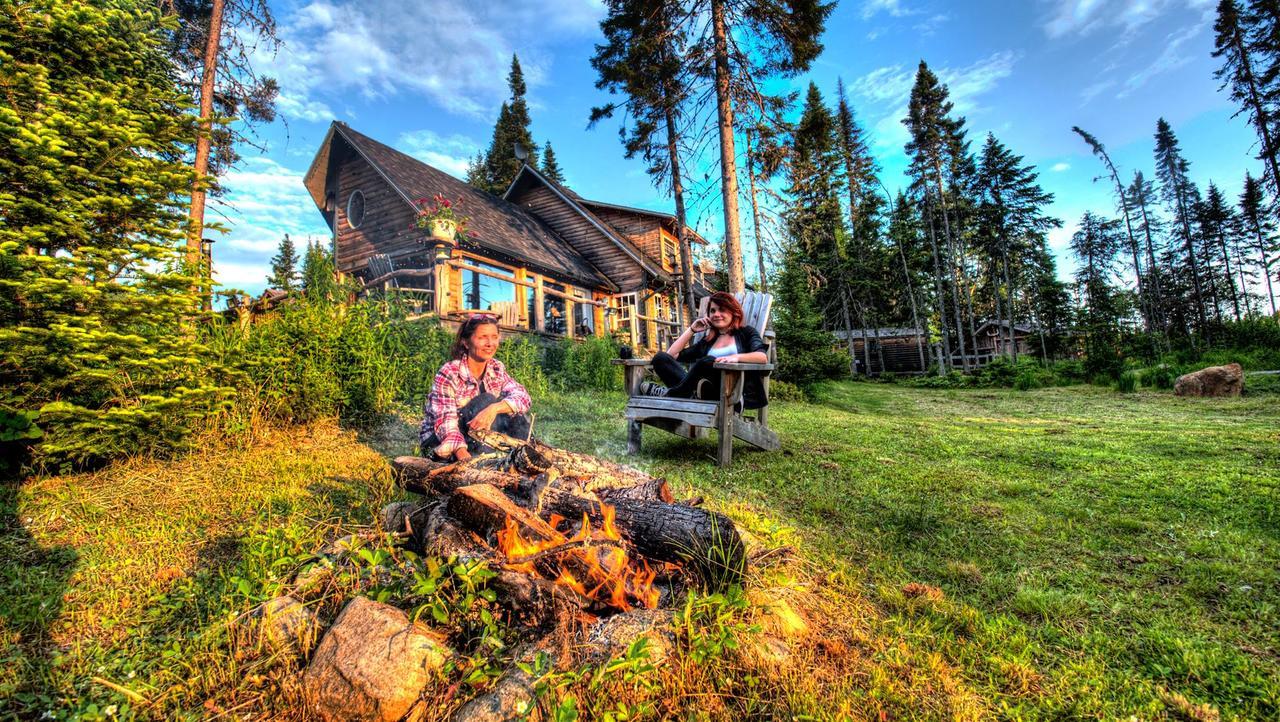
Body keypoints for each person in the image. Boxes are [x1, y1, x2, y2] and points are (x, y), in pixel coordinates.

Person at [419, 313, 532, 461]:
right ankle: (485, 464)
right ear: (466, 343)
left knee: (515, 415)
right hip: (442, 444)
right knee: (486, 400)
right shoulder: (450, 372)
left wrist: (494, 409)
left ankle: (522, 460)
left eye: (494, 337)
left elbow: (523, 397)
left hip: (477, 438)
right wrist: (465, 458)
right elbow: (445, 422)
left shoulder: (496, 368)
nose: (490, 343)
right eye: (482, 337)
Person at [638, 292, 770, 409]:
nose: (716, 314)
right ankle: (684, 395)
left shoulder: (746, 333)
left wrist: (735, 357)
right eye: (712, 311)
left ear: (733, 312)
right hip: (699, 392)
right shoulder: (708, 342)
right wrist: (692, 329)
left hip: (732, 395)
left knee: (708, 361)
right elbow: (672, 355)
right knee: (660, 358)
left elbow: (761, 357)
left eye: (722, 310)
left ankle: (671, 394)